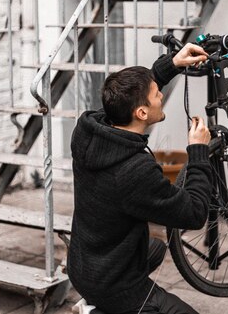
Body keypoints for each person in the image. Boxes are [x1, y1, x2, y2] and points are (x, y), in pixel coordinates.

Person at [69, 43, 212, 314]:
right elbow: (194, 214)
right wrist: (198, 151)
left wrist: (172, 64)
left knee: (154, 249)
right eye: (157, 94)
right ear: (142, 113)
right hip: (111, 283)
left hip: (84, 262)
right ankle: (99, 309)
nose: (161, 95)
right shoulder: (134, 171)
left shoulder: (88, 130)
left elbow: (131, 92)